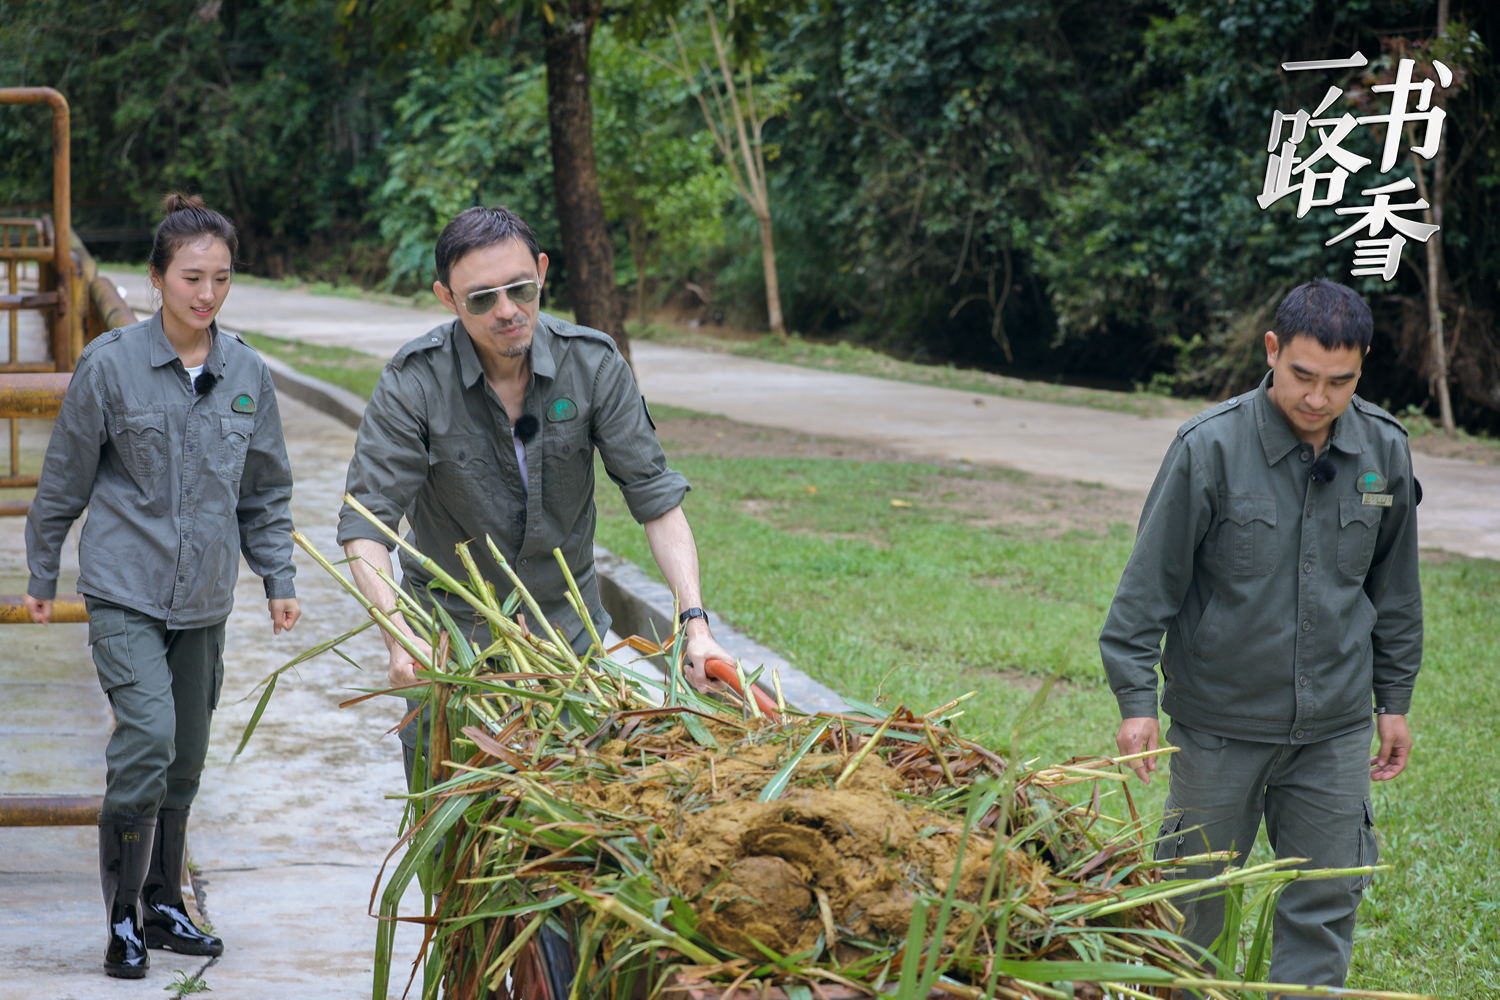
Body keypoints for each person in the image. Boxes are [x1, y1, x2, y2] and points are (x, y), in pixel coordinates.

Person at [1099, 279, 1421, 992]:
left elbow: (1394, 588)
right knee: (1191, 902)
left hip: (1334, 730)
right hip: (1217, 727)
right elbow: (1147, 590)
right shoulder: (1207, 449)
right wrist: (1135, 703)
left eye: (1340, 381)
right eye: (1303, 374)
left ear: (1361, 368)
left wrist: (1392, 699)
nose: (1318, 397)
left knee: (1325, 898)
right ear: (1273, 350)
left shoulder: (1383, 452)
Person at [338, 205, 733, 771]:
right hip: (453, 650)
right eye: (480, 299)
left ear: (542, 271)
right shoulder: (414, 381)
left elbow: (655, 498)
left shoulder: (593, 364)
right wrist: (399, 639)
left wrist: (695, 626)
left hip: (569, 644)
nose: (507, 312)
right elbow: (366, 523)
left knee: (576, 837)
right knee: (461, 843)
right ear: (446, 298)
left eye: (520, 289)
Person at [25, 194, 301, 979]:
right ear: (155, 279)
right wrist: (43, 568)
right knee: (146, 738)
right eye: (190, 278)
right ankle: (121, 920)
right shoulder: (110, 365)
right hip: (125, 588)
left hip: (205, 597)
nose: (205, 295)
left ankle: (164, 902)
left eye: (220, 278)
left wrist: (277, 575)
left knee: (185, 758)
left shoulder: (246, 371)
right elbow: (64, 479)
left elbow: (266, 489)